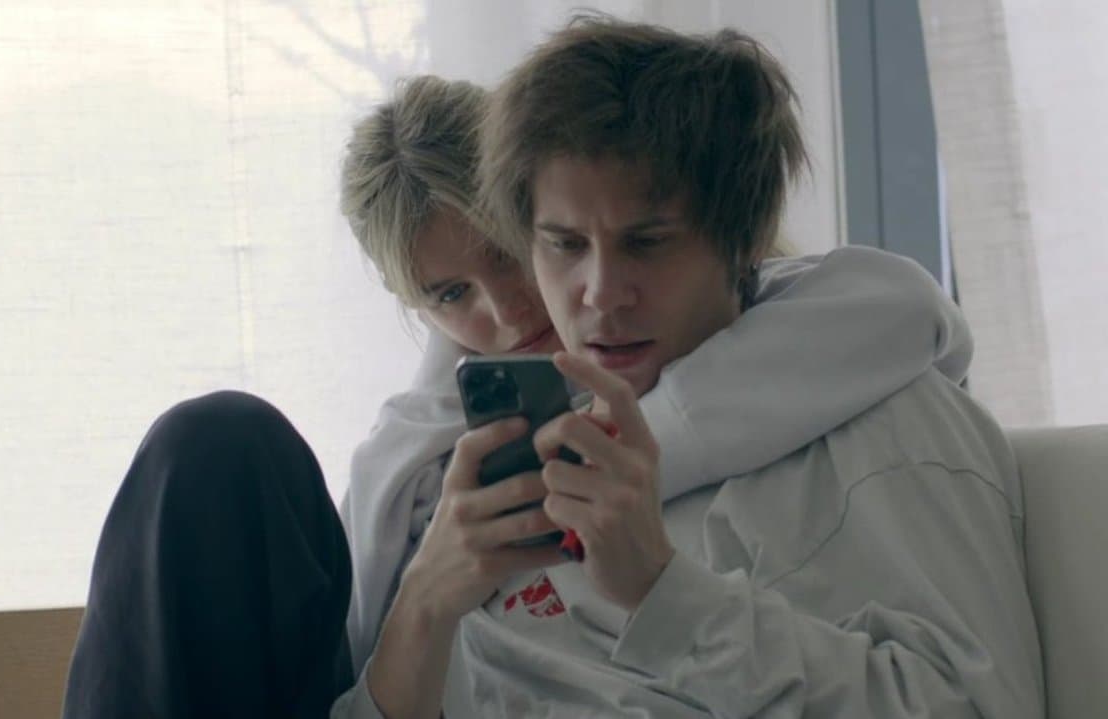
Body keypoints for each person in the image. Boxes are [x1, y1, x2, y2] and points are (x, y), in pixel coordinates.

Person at [62, 73, 977, 718]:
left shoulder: (817, 360)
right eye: (449, 294)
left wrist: (644, 541)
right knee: (213, 443)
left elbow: (897, 308)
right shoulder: (427, 456)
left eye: (508, 256)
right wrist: (425, 599)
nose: (505, 313)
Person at [336, 18, 1043, 718]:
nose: (599, 293)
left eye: (646, 243)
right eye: (564, 245)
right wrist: (424, 602)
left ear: (743, 241)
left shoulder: (883, 418)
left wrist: (660, 588)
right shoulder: (482, 475)